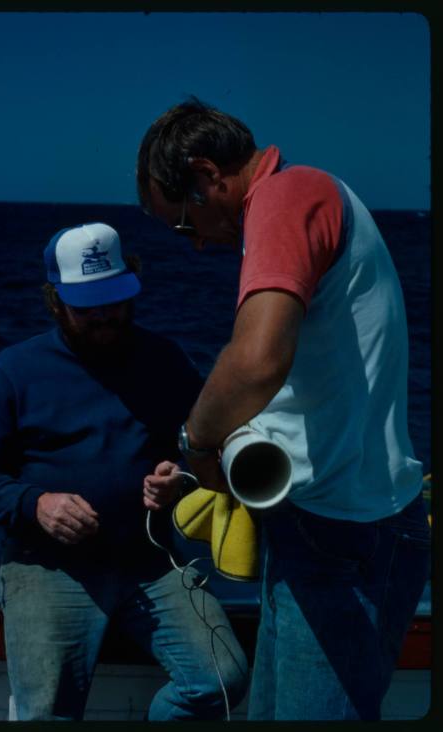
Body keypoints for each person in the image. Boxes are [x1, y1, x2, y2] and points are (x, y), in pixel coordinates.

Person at [136, 97, 431, 721]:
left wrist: (195, 442)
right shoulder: (301, 200)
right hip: (318, 523)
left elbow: (257, 362)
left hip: (347, 534)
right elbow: (299, 381)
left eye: (184, 223)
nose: (192, 246)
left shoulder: (287, 195)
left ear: (207, 174)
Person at [0, 221, 249, 721]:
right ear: (54, 301)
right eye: (86, 307)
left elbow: (204, 451)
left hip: (151, 563)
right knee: (47, 712)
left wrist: (179, 479)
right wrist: (36, 504)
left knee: (222, 680)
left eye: (114, 300)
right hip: (46, 566)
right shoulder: (11, 371)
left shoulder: (165, 360)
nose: (105, 316)